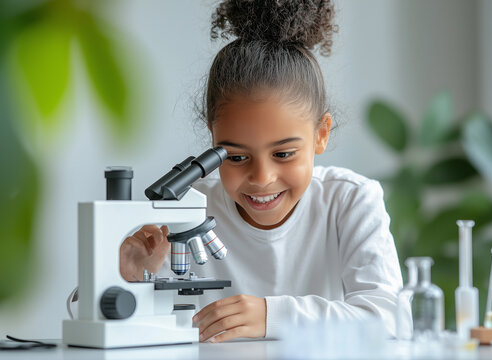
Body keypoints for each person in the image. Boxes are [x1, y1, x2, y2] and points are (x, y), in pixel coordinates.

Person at [119, 0, 403, 343]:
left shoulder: (350, 200)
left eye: (283, 153)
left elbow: (390, 320)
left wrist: (272, 315)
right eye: (236, 157)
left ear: (321, 134)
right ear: (213, 138)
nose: (262, 177)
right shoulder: (185, 211)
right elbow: (101, 322)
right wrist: (127, 278)